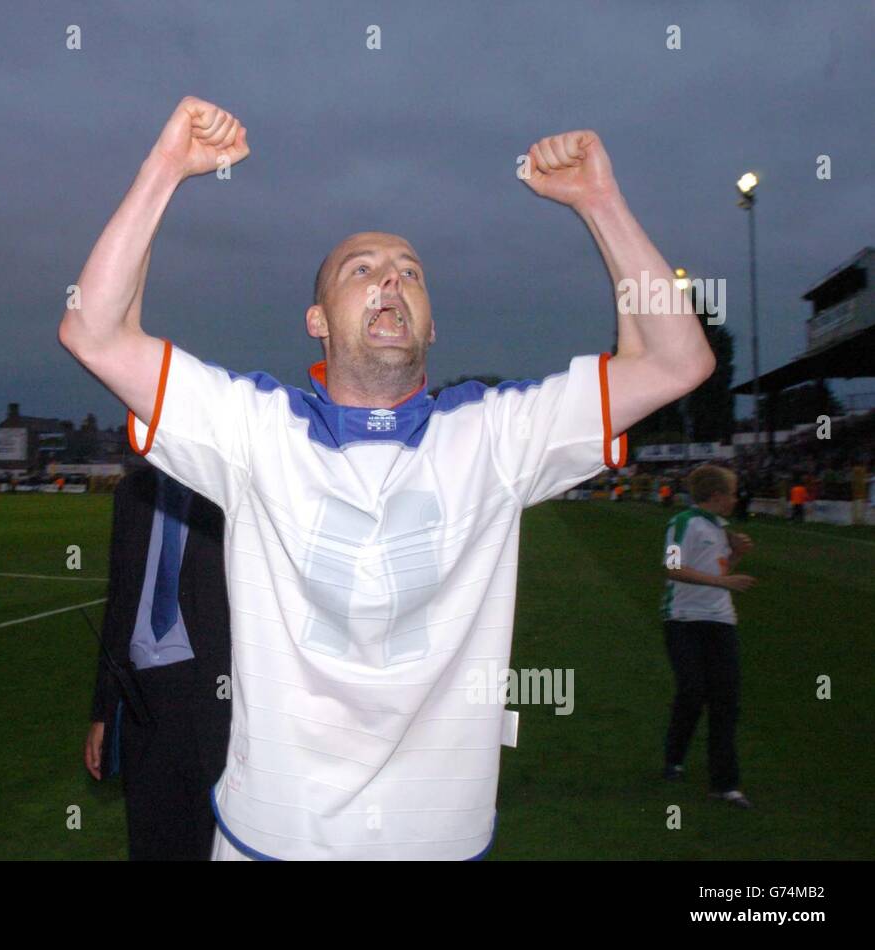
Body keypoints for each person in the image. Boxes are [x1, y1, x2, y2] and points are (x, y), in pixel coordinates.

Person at [58, 96, 715, 860]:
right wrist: (165, 167)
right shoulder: (253, 426)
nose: (390, 282)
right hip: (272, 840)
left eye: (410, 273)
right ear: (318, 319)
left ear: (431, 324)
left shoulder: (496, 434)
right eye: (360, 270)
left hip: (438, 843)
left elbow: (678, 360)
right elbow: (92, 328)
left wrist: (601, 202)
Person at [84, 465, 231, 860]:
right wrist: (102, 711)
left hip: (210, 693)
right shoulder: (132, 492)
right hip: (140, 697)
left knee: (208, 836)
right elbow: (118, 599)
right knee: (149, 837)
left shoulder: (225, 483)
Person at [660, 465, 755, 808]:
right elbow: (672, 567)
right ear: (716, 496)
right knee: (692, 691)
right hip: (683, 620)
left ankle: (725, 784)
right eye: (731, 493)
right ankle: (674, 756)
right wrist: (723, 582)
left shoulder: (721, 528)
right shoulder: (682, 523)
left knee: (726, 701)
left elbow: (717, 567)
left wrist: (735, 556)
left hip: (721, 621)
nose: (735, 498)